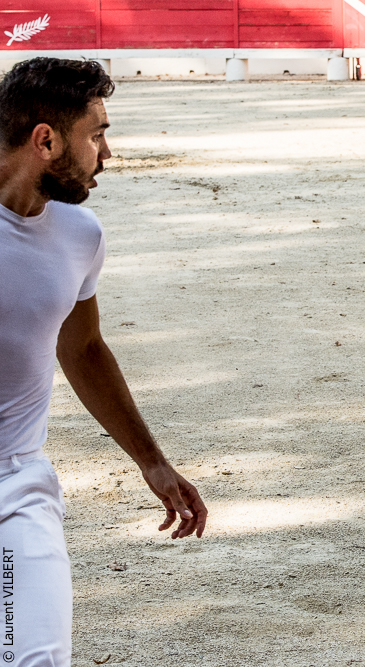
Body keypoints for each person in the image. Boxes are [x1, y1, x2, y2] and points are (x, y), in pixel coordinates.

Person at [0, 57, 207, 666]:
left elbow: (82, 346)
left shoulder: (80, 234)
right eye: (97, 134)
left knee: (33, 659)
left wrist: (152, 461)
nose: (107, 154)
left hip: (15, 484)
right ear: (46, 140)